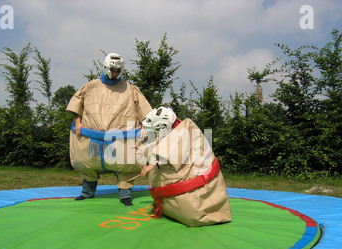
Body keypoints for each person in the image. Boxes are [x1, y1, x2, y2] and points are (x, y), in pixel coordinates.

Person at [66, 53, 152, 206]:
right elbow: (76, 106)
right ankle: (87, 192)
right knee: (88, 166)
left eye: (117, 71)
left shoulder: (130, 89)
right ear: (106, 67)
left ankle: (125, 196)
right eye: (112, 70)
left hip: (122, 139)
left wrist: (144, 128)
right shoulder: (91, 86)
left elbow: (144, 111)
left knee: (125, 168)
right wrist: (78, 123)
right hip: (91, 138)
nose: (115, 73)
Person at [138, 107, 232, 227]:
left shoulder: (182, 132)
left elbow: (175, 153)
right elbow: (160, 146)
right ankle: (169, 208)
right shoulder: (172, 131)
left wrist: (152, 165)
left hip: (197, 180)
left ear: (162, 126)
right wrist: (142, 149)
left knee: (190, 202)